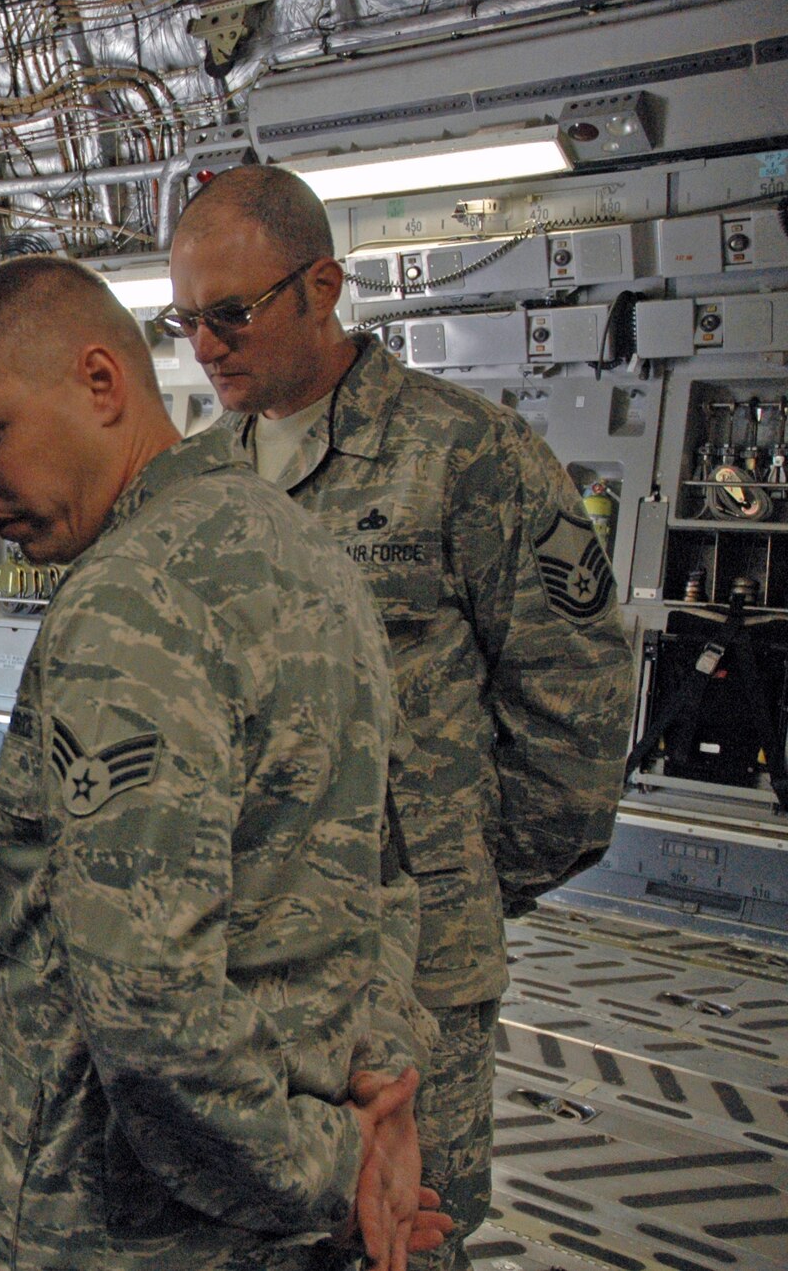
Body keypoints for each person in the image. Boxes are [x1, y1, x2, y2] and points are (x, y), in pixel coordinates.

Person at [0, 255, 449, 1270]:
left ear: (100, 384)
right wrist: (377, 1094)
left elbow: (147, 1002)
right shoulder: (306, 551)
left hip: (117, 1227)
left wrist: (336, 1167)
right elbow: (378, 875)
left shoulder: (127, 602)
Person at [166, 165, 634, 1268]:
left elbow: (575, 706)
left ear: (320, 286)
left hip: (416, 978)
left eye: (229, 313)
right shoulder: (190, 483)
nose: (203, 346)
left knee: (406, 1239)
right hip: (242, 967)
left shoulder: (464, 455)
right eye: (182, 318)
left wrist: (455, 879)